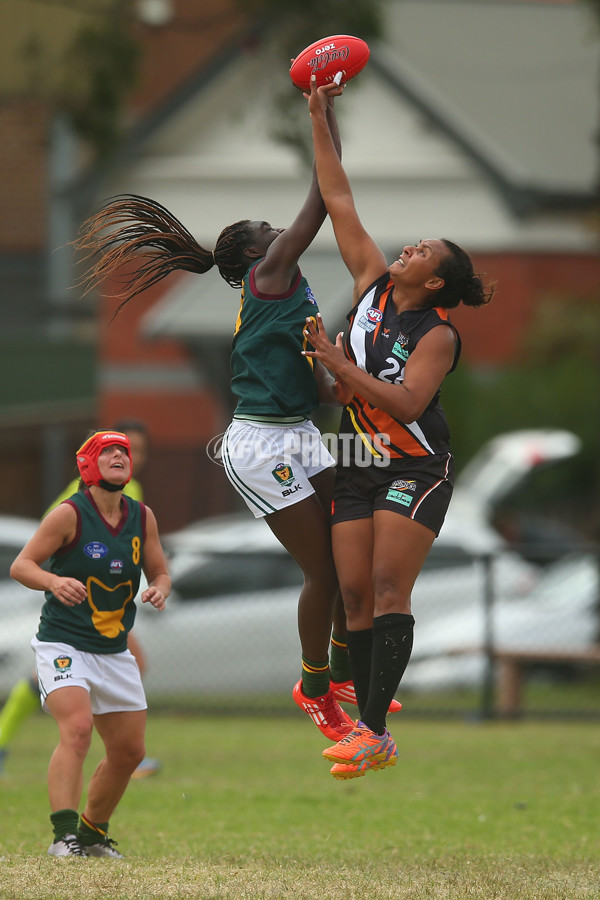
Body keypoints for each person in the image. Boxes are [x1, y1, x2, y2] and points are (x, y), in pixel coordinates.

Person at [72, 93, 401, 742]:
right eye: (266, 229)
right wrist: (320, 114)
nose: (278, 231)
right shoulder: (270, 275)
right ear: (254, 255)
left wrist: (347, 382)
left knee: (351, 554)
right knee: (323, 571)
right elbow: (322, 201)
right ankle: (314, 687)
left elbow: (311, 386)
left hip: (298, 432)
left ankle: (342, 675)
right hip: (260, 445)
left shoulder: (288, 290)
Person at [302, 76, 494, 779]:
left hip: (415, 463)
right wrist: (319, 116)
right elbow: (338, 198)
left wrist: (335, 364)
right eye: (412, 245)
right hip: (357, 457)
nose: (407, 250)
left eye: (421, 253)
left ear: (436, 282)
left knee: (388, 587)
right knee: (352, 592)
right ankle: (367, 720)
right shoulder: (372, 283)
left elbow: (409, 404)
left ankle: (375, 731)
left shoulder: (437, 333)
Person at [10, 430, 171, 857]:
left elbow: (160, 572)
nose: (120, 455)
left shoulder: (142, 516)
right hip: (63, 643)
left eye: (124, 451)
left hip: (114, 649)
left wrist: (159, 588)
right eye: (108, 451)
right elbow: (22, 566)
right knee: (78, 729)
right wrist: (53, 581)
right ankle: (63, 837)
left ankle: (92, 834)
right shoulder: (68, 514)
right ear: (87, 464)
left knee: (129, 751)